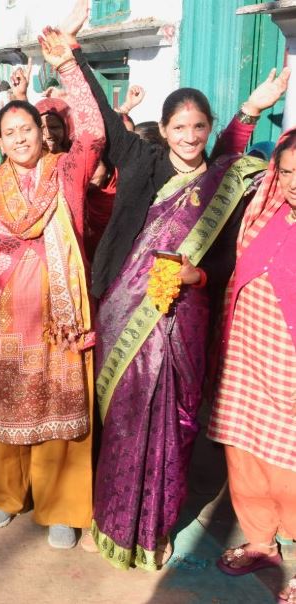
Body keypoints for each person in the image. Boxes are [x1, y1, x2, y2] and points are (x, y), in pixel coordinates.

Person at [70, 0, 289, 566]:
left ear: (209, 129)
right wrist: (71, 59)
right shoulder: (141, 161)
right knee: (124, 422)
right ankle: (113, 520)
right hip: (127, 312)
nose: (189, 136)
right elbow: (100, 115)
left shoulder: (222, 183)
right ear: (164, 129)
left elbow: (228, 257)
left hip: (186, 318)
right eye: (179, 127)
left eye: (199, 127)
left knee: (175, 426)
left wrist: (198, 274)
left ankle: (156, 527)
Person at [0, 27, 104, 549]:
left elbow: (94, 133)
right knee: (3, 406)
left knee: (62, 411)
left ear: (42, 132)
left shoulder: (66, 172)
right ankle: (3, 495)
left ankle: (61, 507)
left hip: (62, 319)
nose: (19, 138)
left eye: (26, 129)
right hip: (4, 319)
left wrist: (68, 66)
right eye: (9, 131)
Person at [207, 131, 296, 603]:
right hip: (246, 363)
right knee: (245, 456)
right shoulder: (263, 213)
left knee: (290, 467)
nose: (295, 183)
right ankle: (262, 541)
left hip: (290, 371)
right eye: (288, 172)